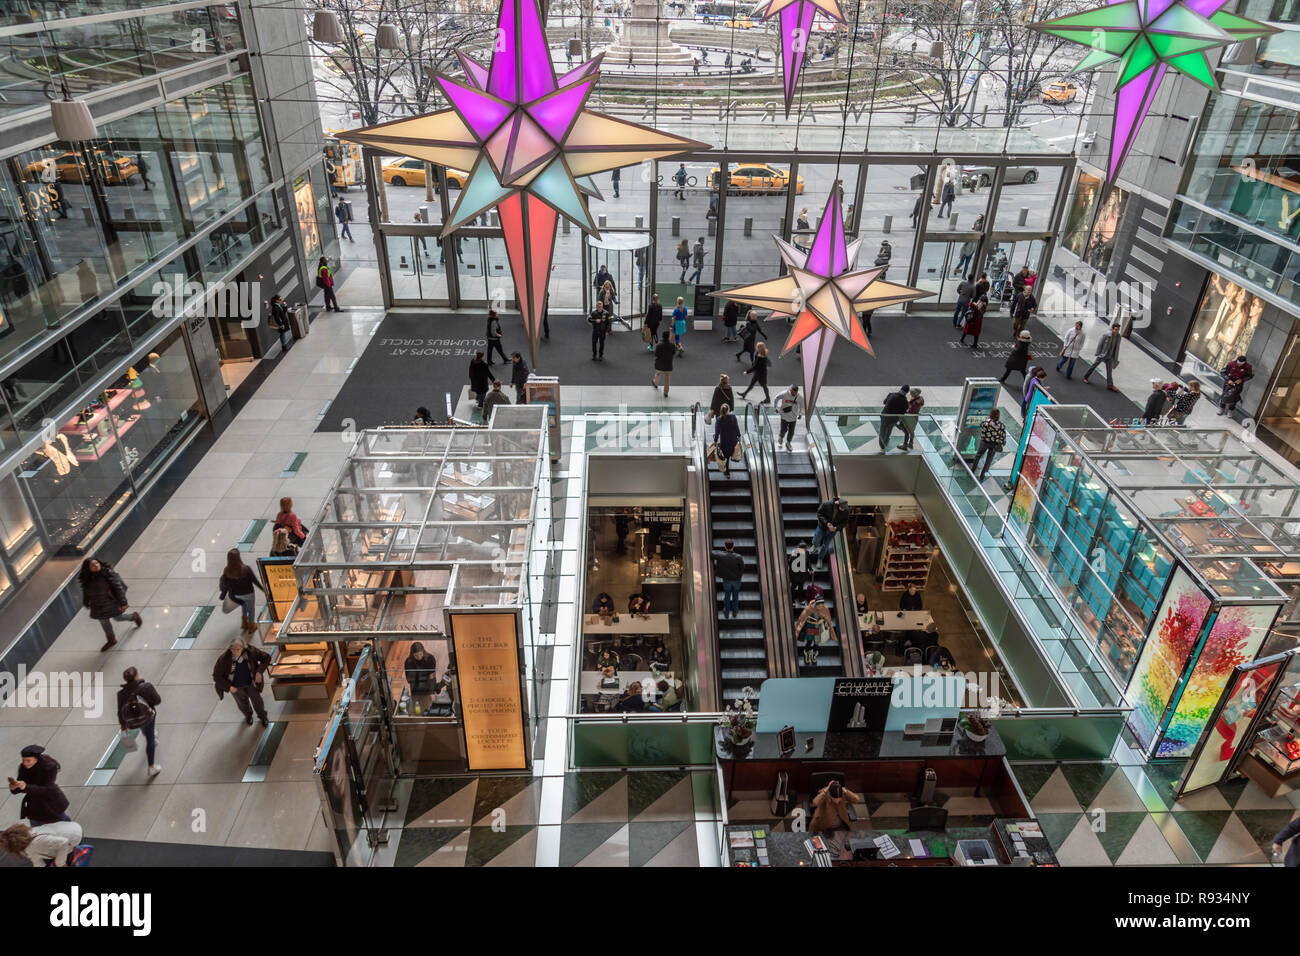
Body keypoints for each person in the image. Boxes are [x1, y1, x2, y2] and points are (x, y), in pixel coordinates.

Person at [80, 557, 142, 652]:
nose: (96, 565)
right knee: (104, 623)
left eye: (97, 563)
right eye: (93, 565)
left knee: (118, 618)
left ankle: (134, 616)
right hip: (97, 606)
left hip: (111, 603)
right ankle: (111, 640)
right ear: (87, 568)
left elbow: (118, 589)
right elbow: (86, 592)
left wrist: (123, 602)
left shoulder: (107, 574)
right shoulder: (87, 580)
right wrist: (86, 602)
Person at [212, 637, 271, 727]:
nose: (235, 652)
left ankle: (263, 717)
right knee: (242, 705)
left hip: (251, 683)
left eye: (238, 649)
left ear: (243, 648)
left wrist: (259, 672)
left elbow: (266, 657)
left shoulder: (251, 651)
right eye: (233, 649)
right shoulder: (224, 659)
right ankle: (248, 716)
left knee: (258, 702)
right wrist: (229, 687)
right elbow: (216, 676)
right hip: (235, 687)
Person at [117, 666, 162, 776]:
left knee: (140, 721)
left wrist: (123, 725)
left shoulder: (121, 694)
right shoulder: (146, 687)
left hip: (133, 721)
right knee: (150, 738)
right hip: (148, 716)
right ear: (137, 675)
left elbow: (120, 711)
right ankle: (151, 766)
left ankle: (146, 732)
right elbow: (157, 701)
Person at [9, 745, 68, 826]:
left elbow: (48, 789)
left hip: (51, 803)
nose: (25, 763)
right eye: (23, 760)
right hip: (34, 806)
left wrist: (26, 787)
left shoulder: (49, 766)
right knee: (37, 832)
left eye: (28, 760)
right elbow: (21, 786)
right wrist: (14, 788)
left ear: (36, 759)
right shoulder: (23, 767)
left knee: (64, 826)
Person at [220, 549, 266, 634]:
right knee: (251, 609)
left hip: (236, 595)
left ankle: (244, 623)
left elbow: (225, 584)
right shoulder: (246, 569)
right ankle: (251, 626)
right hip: (249, 594)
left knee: (244, 606)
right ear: (238, 558)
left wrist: (223, 593)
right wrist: (264, 590)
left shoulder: (227, 571)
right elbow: (255, 581)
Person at [0, 821, 83, 867]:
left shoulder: (36, 843)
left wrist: (60, 863)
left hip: (75, 836)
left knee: (60, 862)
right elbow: (36, 859)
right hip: (70, 827)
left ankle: (75, 855)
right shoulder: (29, 833)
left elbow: (64, 843)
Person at [795, 598, 836, 666]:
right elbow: (802, 619)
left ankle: (814, 655)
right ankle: (807, 655)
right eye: (819, 605)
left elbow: (827, 618)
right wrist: (813, 622)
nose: (820, 607)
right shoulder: (809, 609)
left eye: (822, 605)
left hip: (819, 629)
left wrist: (822, 620)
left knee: (816, 643)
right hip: (811, 628)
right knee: (809, 642)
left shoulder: (824, 609)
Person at [1082, 323, 1123, 391]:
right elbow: (1100, 344)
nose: (1117, 331)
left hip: (1110, 356)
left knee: (1109, 371)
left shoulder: (1118, 336)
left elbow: (1117, 347)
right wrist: (1098, 353)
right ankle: (1085, 377)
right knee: (1094, 366)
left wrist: (1115, 357)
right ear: (1112, 329)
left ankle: (1110, 385)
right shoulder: (1106, 335)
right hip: (1103, 354)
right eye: (1116, 329)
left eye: (1118, 330)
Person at [403, 642, 441, 713]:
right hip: (415, 689)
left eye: (420, 654)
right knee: (417, 710)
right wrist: (424, 676)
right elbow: (409, 680)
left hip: (428, 687)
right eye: (416, 655)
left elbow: (432, 677)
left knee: (429, 709)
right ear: (412, 654)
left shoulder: (430, 659)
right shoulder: (408, 662)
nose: (419, 657)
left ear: (423, 651)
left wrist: (432, 692)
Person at [812, 495, 848, 568]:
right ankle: (815, 546)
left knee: (825, 545)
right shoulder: (826, 504)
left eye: (844, 509)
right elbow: (819, 514)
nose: (843, 510)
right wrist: (826, 523)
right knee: (817, 539)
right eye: (842, 508)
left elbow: (844, 523)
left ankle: (820, 559)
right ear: (838, 503)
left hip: (832, 530)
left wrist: (836, 528)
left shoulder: (846, 510)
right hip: (822, 526)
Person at [713, 539, 745, 619]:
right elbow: (742, 568)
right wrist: (739, 576)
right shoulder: (738, 557)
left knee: (727, 595)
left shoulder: (722, 555)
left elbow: (712, 553)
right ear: (733, 546)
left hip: (727, 579)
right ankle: (735, 611)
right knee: (735, 595)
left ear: (725, 547)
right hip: (736, 580)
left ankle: (726, 612)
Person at [973, 408, 1006, 481]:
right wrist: (1002, 442)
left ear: (991, 414)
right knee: (989, 459)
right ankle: (983, 474)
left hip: (985, 442)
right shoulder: (1001, 425)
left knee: (978, 455)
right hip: (994, 444)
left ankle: (973, 470)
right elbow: (1003, 436)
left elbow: (981, 426)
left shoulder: (986, 422)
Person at [713, 403, 741, 477]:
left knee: (725, 455)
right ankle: (733, 459)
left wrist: (715, 440)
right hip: (733, 439)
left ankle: (726, 471)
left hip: (724, 440)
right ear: (728, 410)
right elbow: (736, 427)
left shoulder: (719, 419)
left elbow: (717, 432)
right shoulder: (733, 417)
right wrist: (739, 435)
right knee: (731, 453)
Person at [879, 384, 910, 451]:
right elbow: (903, 413)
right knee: (889, 429)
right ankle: (885, 442)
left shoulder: (891, 394)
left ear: (901, 389)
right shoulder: (905, 402)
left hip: (884, 415)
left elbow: (884, 402)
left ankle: (881, 444)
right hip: (893, 419)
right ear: (907, 392)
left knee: (882, 429)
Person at [775, 384, 803, 451]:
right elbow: (776, 398)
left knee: (791, 431)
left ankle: (788, 443)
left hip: (793, 416)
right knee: (784, 429)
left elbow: (802, 406)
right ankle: (781, 437)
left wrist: (800, 413)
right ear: (790, 390)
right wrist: (776, 407)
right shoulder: (784, 394)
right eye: (793, 393)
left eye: (795, 393)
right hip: (784, 415)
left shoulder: (800, 397)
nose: (794, 394)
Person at [652, 331, 676, 396]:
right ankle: (666, 392)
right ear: (668, 336)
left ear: (662, 336)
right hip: (668, 364)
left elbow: (656, 354)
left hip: (660, 363)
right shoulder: (672, 345)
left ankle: (656, 384)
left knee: (658, 374)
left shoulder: (659, 345)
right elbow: (674, 353)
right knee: (667, 377)